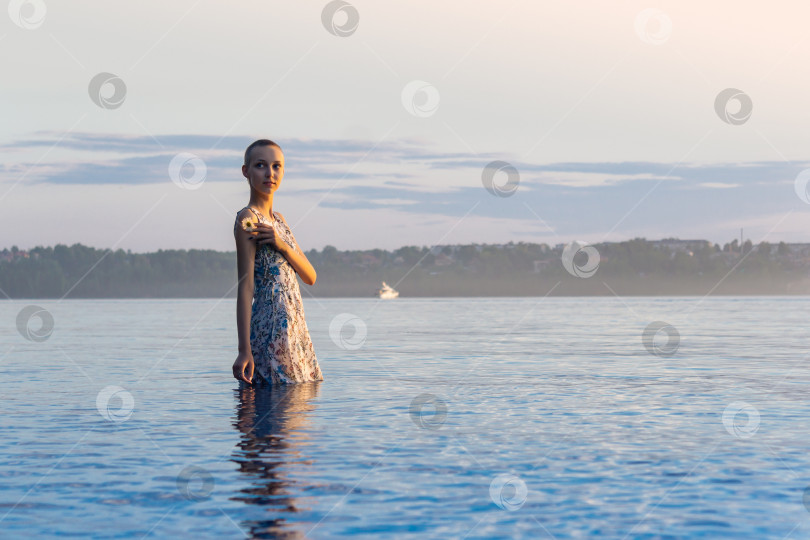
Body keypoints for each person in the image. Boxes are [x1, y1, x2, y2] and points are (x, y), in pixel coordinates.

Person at [232, 139, 324, 385]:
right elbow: (245, 287)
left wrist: (280, 243)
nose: (269, 173)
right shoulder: (248, 219)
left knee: (297, 412)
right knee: (277, 410)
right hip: (270, 328)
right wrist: (244, 350)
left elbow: (310, 276)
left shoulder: (280, 221)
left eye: (276, 166)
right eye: (261, 165)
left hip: (295, 327)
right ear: (246, 171)